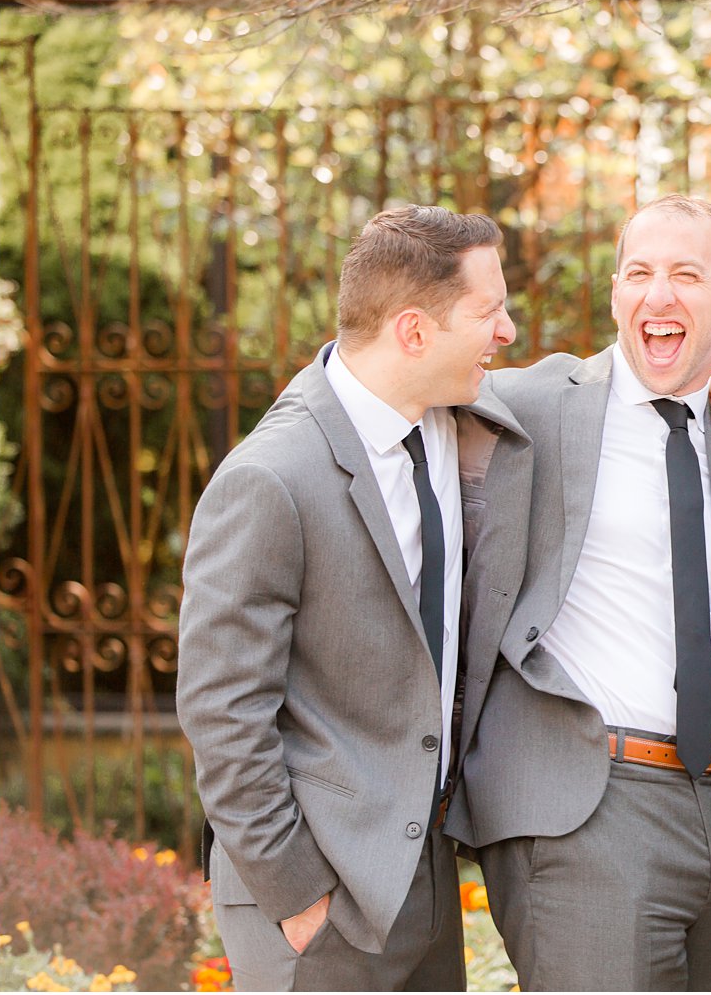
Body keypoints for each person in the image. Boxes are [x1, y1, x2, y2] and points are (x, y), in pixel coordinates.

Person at [177, 206, 531, 991]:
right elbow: (221, 707)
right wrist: (299, 892)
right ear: (413, 331)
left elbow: (582, 397)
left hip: (426, 874)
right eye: (489, 310)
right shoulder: (269, 478)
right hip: (318, 894)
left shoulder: (459, 416)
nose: (506, 332)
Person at [442, 195, 711, 991]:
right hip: (587, 810)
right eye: (639, 273)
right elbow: (385, 383)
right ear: (615, 295)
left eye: (686, 275)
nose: (658, 296)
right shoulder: (532, 408)